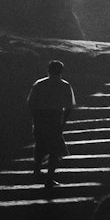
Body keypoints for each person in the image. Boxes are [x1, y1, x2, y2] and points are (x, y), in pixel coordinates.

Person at [27, 58, 75, 186]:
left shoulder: (39, 84)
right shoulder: (64, 85)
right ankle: (49, 177)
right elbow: (69, 107)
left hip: (40, 118)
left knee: (39, 146)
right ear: (61, 71)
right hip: (55, 118)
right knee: (55, 150)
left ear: (48, 70)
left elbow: (31, 104)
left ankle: (36, 171)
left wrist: (35, 119)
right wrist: (63, 123)